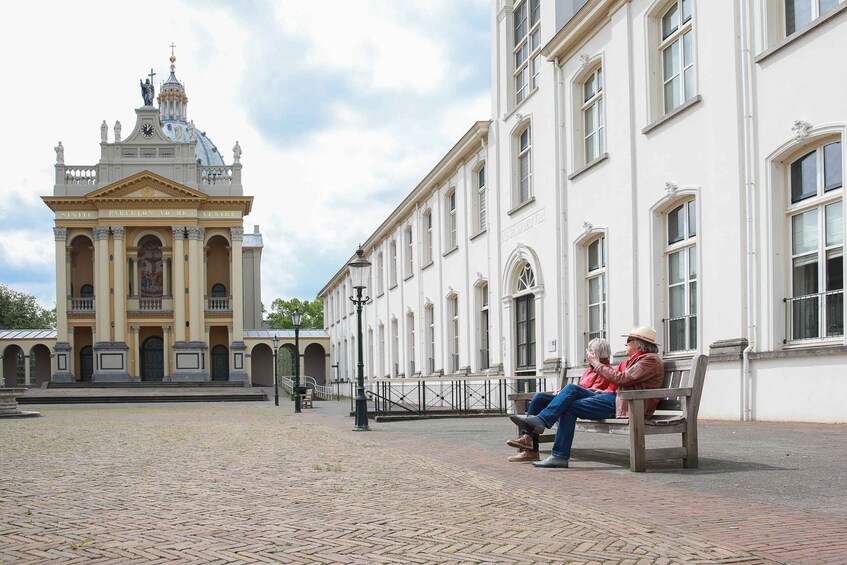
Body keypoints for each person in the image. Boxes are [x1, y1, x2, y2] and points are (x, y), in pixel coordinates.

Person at [510, 325, 664, 468]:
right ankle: (544, 426)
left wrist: (596, 363)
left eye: (628, 341)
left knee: (569, 407)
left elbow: (620, 379)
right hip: (617, 398)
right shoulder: (639, 360)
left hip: (629, 404)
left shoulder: (649, 360)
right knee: (570, 389)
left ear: (638, 344)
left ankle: (558, 453)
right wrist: (602, 391)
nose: (625, 344)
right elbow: (623, 382)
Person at [506, 337, 615, 462]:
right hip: (575, 398)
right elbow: (581, 388)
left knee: (570, 391)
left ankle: (541, 421)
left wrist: (568, 392)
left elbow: (595, 393)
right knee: (539, 397)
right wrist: (563, 392)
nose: (586, 353)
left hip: (590, 403)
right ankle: (529, 444)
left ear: (596, 354)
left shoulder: (606, 370)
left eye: (589, 351)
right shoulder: (589, 369)